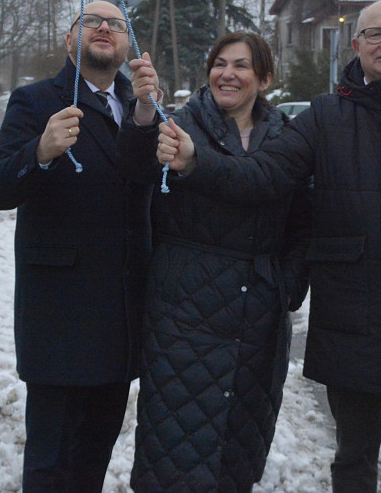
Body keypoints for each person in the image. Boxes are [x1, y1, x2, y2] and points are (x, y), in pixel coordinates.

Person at [157, 0, 381, 493]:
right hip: (353, 321)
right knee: (352, 461)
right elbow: (265, 175)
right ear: (357, 46)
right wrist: (198, 160)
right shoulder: (326, 117)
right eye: (375, 34)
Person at [118, 32, 310, 493]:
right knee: (174, 454)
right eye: (219, 63)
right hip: (185, 315)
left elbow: (304, 220)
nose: (228, 73)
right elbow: (138, 166)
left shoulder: (286, 134)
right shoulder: (181, 125)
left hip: (259, 317)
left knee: (241, 452)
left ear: (263, 78)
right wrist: (144, 110)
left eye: (242, 65)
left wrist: (286, 287)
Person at [0, 0, 159, 492]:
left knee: (92, 457)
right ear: (69, 40)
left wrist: (147, 114)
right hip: (59, 318)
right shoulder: (36, 101)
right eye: (91, 21)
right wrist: (40, 151)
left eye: (116, 24)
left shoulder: (141, 104)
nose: (104, 28)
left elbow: (147, 182)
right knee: (50, 462)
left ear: (127, 45)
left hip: (121, 316)